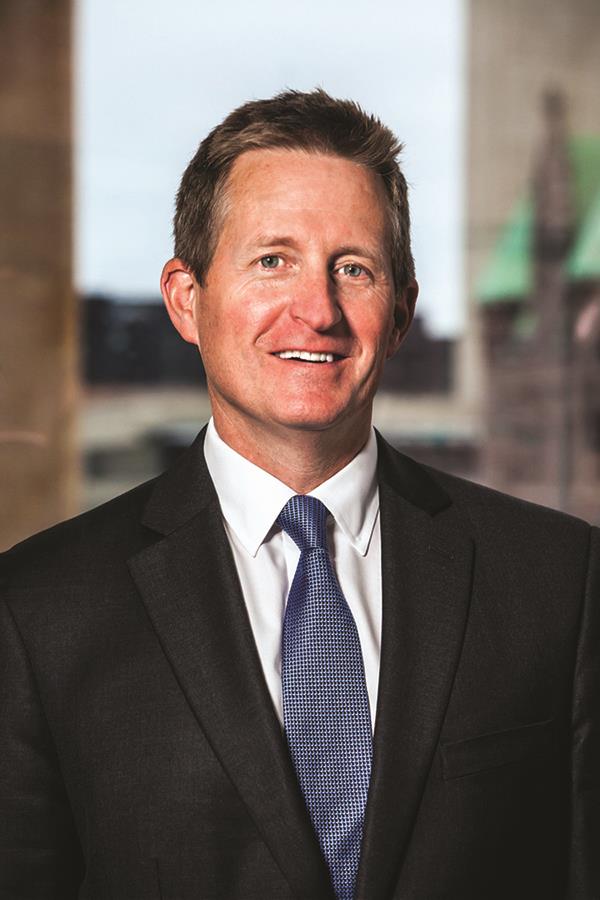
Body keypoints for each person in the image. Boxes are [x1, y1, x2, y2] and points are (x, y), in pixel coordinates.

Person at [0, 89, 598, 900]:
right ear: (186, 299)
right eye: (272, 260)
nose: (317, 311)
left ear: (401, 313)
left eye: (353, 269)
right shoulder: (38, 611)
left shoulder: (559, 581)